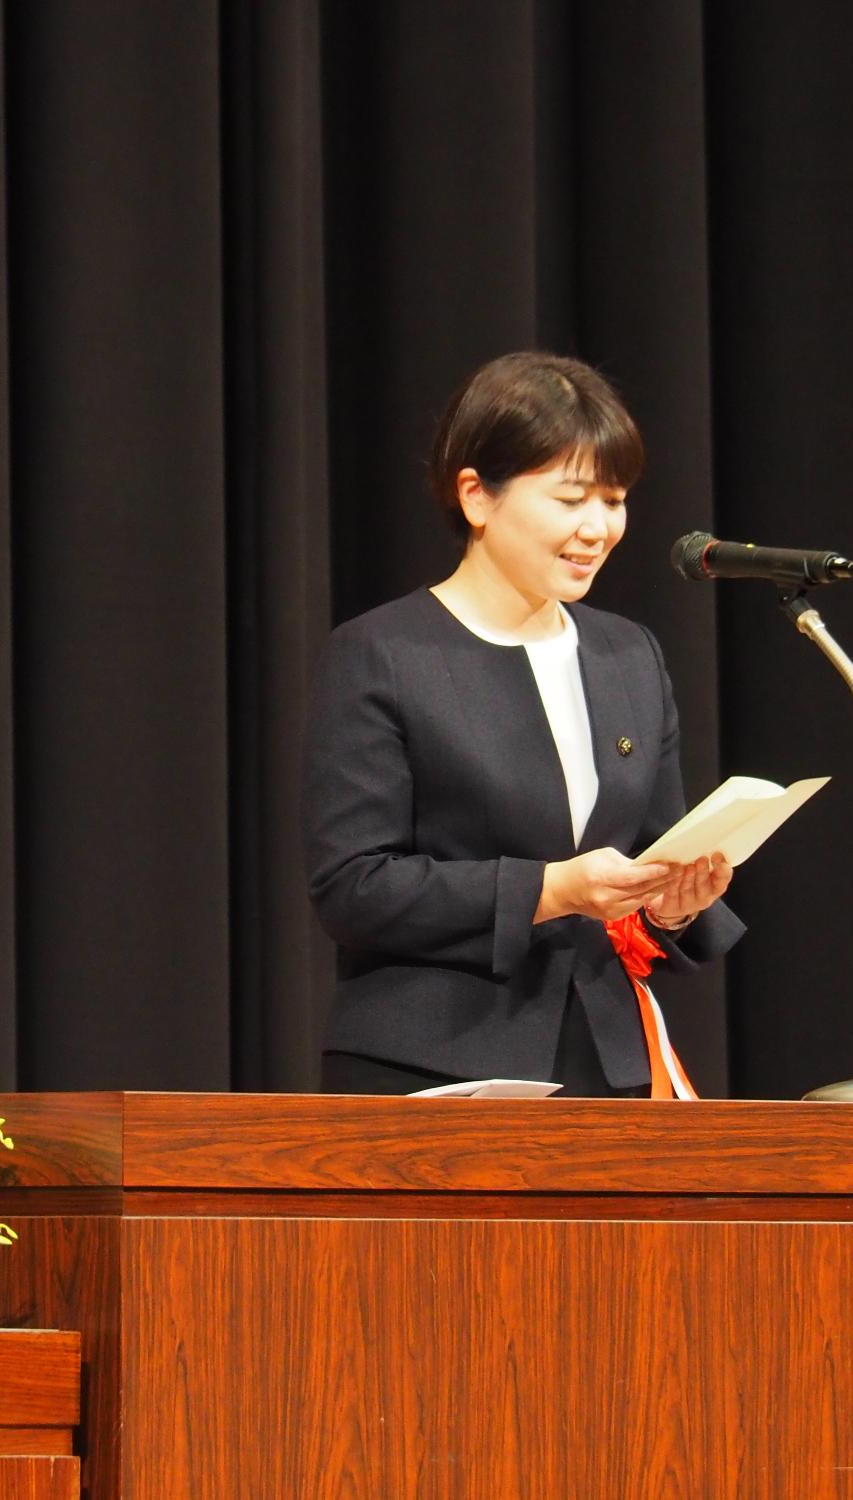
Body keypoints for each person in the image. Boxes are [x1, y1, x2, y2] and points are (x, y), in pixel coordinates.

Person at [303, 351, 743, 1097]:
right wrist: (553, 889)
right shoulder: (383, 653)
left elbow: (650, 849)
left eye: (615, 499)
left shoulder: (626, 653)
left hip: (609, 1068)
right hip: (431, 1066)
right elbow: (355, 886)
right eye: (572, 499)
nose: (599, 528)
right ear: (476, 496)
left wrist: (672, 903)